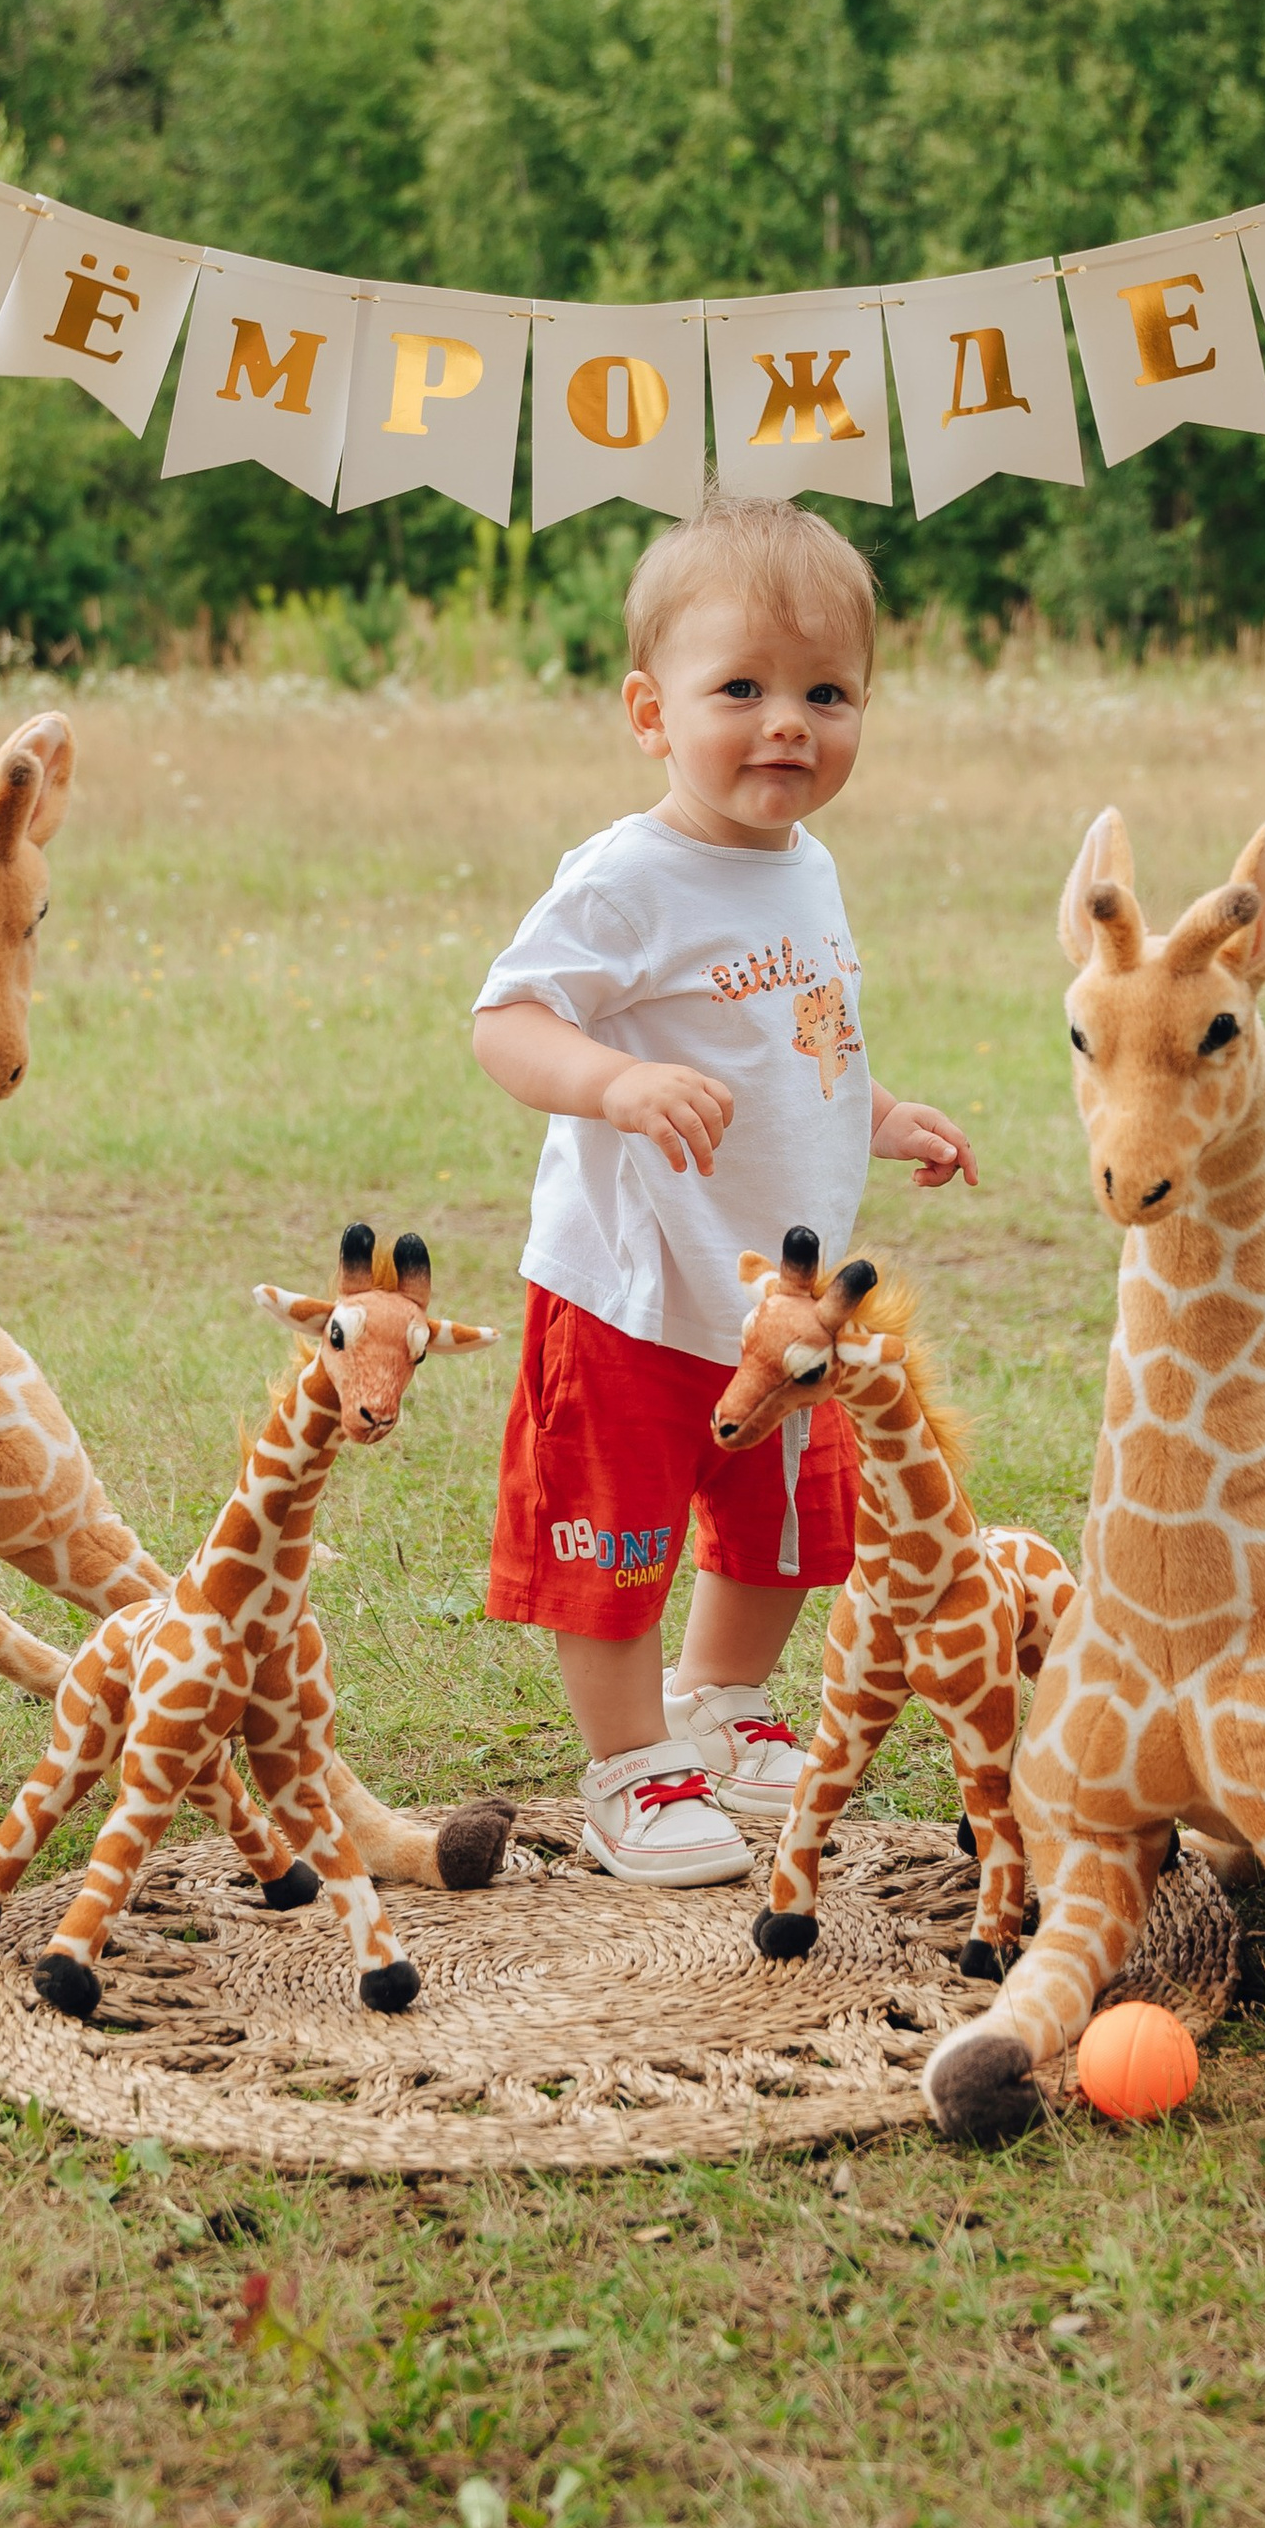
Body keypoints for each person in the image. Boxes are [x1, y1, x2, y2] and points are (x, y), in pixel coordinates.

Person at [470, 487, 977, 1883]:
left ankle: (723, 1702)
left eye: (829, 692)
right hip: (634, 1288)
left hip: (778, 1303)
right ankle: (631, 1764)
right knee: (618, 1535)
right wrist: (615, 1085)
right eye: (740, 687)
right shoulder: (629, 877)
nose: (788, 725)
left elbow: (796, 1039)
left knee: (781, 1521)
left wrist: (875, 1113)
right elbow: (506, 1022)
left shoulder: (807, 870)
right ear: (650, 712)